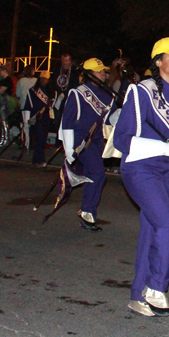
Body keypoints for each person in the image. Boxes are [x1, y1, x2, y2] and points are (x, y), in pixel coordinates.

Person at [113, 37, 169, 317]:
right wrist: (164, 146)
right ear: (158, 62)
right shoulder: (142, 92)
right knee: (168, 227)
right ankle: (155, 287)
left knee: (152, 229)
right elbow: (122, 139)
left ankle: (137, 295)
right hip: (140, 167)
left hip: (163, 170)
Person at [61, 58, 114, 231]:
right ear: (90, 75)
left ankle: (82, 201)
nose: (103, 74)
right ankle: (87, 212)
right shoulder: (78, 93)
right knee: (98, 174)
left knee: (89, 174)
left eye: (103, 71)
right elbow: (67, 121)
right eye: (99, 71)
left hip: (97, 140)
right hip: (81, 140)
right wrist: (69, 149)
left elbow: (109, 119)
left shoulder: (108, 95)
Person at [21, 72, 53, 167]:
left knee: (43, 140)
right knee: (39, 138)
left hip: (46, 118)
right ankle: (39, 160)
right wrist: (27, 119)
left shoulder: (50, 91)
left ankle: (37, 159)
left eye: (46, 79)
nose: (44, 80)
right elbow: (27, 105)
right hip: (36, 118)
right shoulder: (32, 91)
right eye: (42, 78)